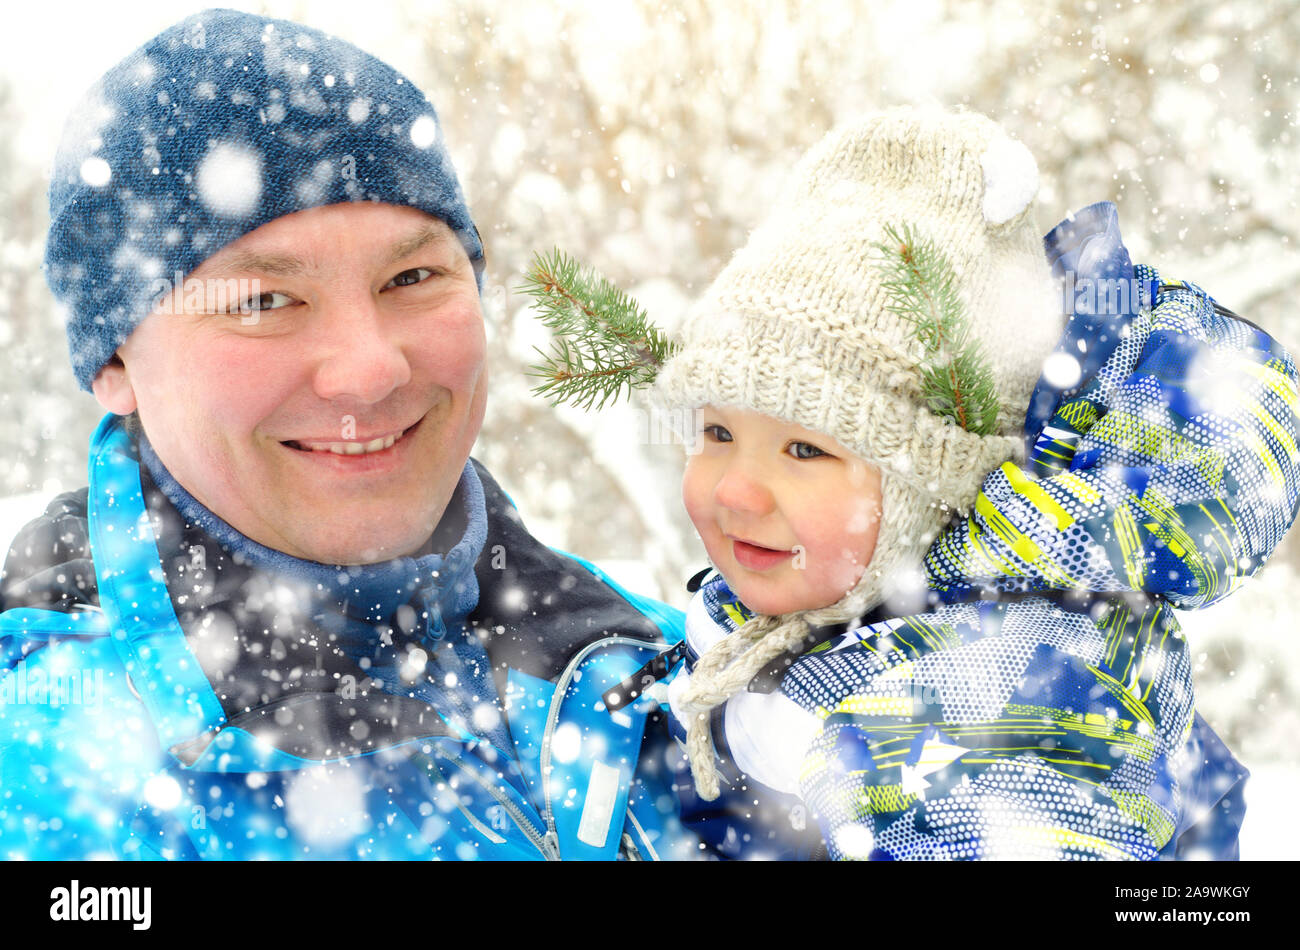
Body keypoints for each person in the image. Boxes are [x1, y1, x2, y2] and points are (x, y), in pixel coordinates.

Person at [0, 8, 693, 861]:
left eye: (413, 276)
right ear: (114, 360)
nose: (370, 370)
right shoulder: (39, 779)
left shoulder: (661, 667)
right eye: (262, 301)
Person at [650, 108, 1300, 859]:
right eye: (718, 433)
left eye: (804, 449)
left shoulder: (1008, 717)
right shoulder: (833, 608)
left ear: (930, 484)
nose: (736, 491)